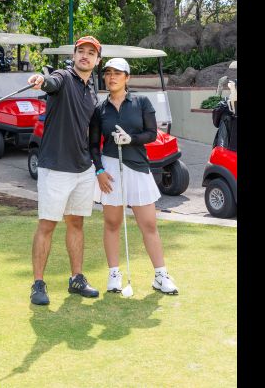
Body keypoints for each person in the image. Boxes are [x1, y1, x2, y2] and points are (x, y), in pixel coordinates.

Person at [89, 58, 179, 295]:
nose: (112, 77)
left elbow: (151, 133)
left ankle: (160, 275)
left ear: (127, 78)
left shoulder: (141, 102)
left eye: (117, 73)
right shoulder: (100, 109)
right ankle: (114, 275)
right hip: (109, 168)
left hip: (138, 166)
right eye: (108, 73)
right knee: (112, 223)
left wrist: (131, 139)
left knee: (148, 223)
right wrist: (98, 170)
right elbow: (93, 145)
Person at [26, 36, 103, 305]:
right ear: (74, 55)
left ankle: (77, 278)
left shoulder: (92, 91)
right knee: (47, 224)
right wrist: (41, 80)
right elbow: (51, 82)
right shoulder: (64, 77)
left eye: (90, 53)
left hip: (82, 168)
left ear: (97, 60)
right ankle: (37, 284)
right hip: (55, 167)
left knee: (77, 223)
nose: (85, 56)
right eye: (80, 51)